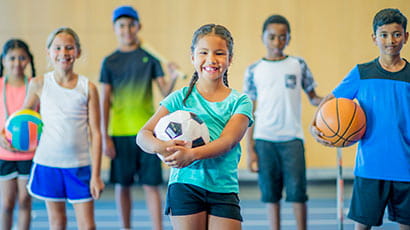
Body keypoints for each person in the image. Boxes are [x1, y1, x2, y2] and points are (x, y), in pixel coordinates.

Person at [137, 24, 254, 230]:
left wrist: (190, 155)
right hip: (185, 185)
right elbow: (143, 135)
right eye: (203, 53)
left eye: (219, 53)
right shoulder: (180, 98)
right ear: (193, 57)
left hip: (223, 188)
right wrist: (162, 147)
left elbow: (227, 141)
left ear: (230, 58)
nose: (211, 59)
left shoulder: (240, 101)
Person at [310, 8, 410, 230]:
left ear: (406, 36)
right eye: (383, 35)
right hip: (370, 166)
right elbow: (330, 99)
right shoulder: (361, 73)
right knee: (362, 226)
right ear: (374, 38)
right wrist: (313, 124)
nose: (390, 40)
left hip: (406, 165)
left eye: (396, 34)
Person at [99, 5, 180, 230]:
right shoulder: (109, 62)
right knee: (122, 186)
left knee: (151, 185)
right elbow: (104, 100)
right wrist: (105, 136)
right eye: (122, 25)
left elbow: (165, 92)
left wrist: (172, 76)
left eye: (131, 25)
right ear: (115, 28)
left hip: (149, 133)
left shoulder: (150, 58)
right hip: (120, 133)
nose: (127, 30)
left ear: (138, 27)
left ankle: (157, 227)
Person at [243, 14, 322, 230]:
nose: (277, 42)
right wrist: (250, 150)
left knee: (297, 192)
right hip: (264, 140)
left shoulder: (298, 65)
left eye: (282, 37)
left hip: (292, 139)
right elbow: (248, 111)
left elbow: (314, 97)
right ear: (263, 38)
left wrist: (333, 101)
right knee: (270, 194)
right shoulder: (253, 70)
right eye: (272, 37)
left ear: (288, 38)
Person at [24, 27, 105, 230]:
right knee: (57, 222)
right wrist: (5, 133)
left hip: (79, 166)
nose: (63, 53)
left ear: (77, 52)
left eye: (69, 48)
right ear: (48, 52)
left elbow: (96, 133)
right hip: (48, 163)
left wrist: (96, 174)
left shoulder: (88, 88)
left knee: (87, 225)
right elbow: (21, 118)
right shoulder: (38, 84)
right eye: (58, 48)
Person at [0, 39, 36, 230]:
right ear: (3, 61)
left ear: (29, 60)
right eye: (12, 58)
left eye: (22, 58)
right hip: (4, 154)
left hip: (29, 153)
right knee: (6, 202)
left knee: (24, 200)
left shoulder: (34, 86)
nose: (17, 63)